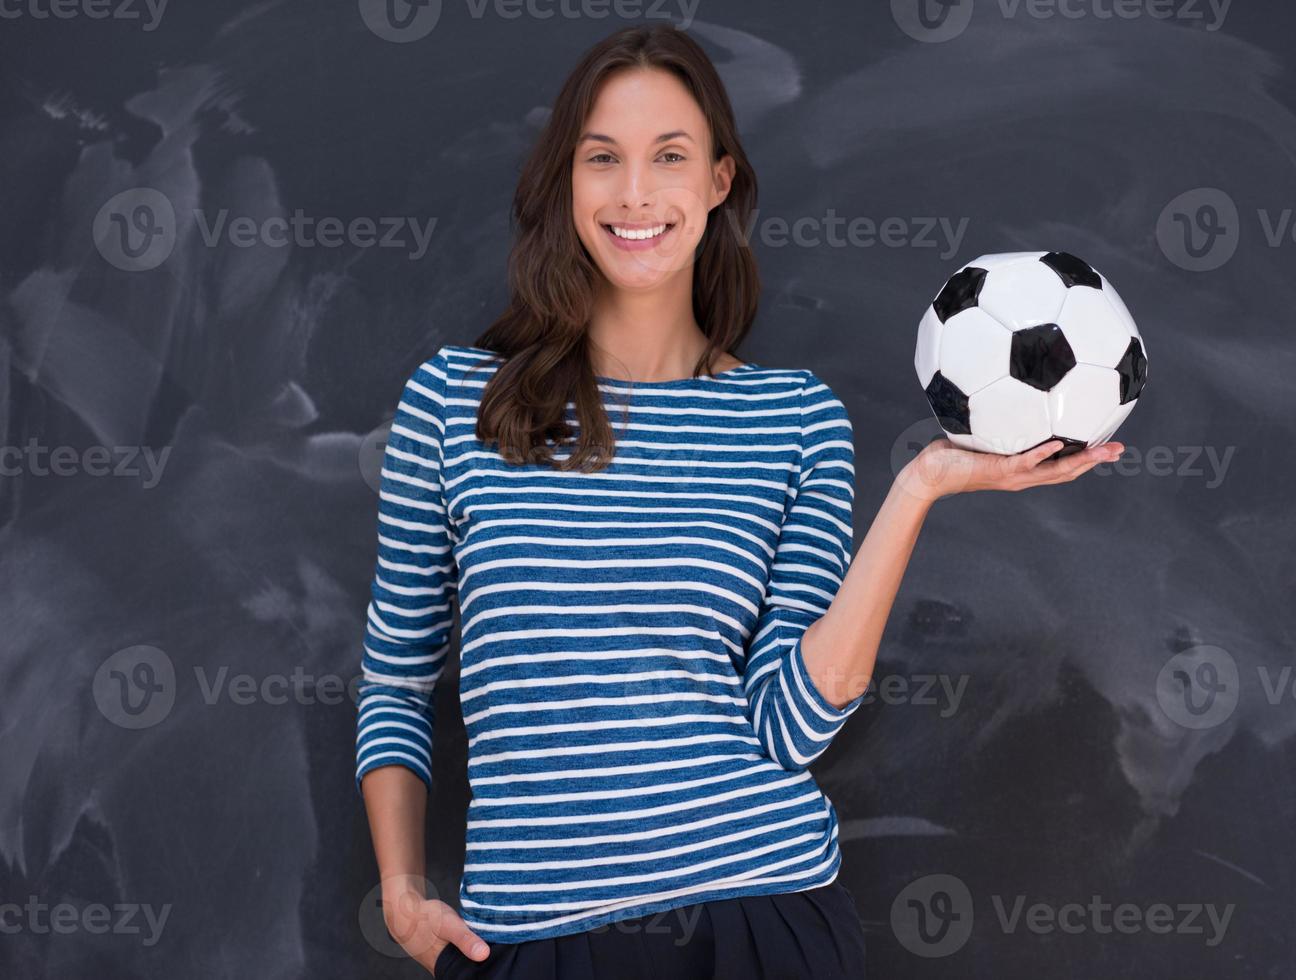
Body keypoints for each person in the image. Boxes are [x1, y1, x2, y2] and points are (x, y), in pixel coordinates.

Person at [354, 23, 1123, 980]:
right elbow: (395, 679)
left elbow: (788, 725)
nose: (636, 193)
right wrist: (399, 893)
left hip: (758, 922)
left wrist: (919, 488)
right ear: (566, 181)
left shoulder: (792, 420)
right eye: (603, 160)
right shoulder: (453, 400)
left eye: (668, 157)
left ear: (718, 180)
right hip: (535, 936)